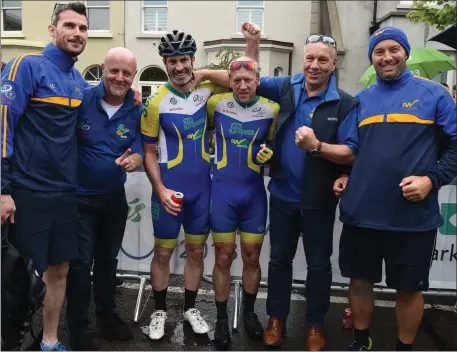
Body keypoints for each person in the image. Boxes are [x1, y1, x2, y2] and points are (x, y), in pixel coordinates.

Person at [193, 22, 358, 351]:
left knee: (319, 265)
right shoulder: (287, 87)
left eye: (322, 60)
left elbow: (351, 151)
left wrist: (317, 146)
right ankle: (276, 319)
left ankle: (314, 324)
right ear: (303, 61)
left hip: (318, 199)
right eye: (310, 58)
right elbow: (245, 79)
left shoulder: (343, 102)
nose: (314, 65)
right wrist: (204, 72)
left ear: (333, 64)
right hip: (282, 194)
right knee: (278, 262)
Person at [333, 26, 457, 351]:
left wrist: (431, 179)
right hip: (362, 214)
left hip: (412, 218)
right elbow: (352, 149)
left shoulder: (435, 95)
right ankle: (361, 342)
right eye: (379, 51)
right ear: (372, 57)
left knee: (408, 290)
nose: (387, 57)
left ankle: (404, 348)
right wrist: (346, 173)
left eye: (393, 50)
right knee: (359, 282)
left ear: (405, 52)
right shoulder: (359, 101)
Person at [0, 2, 89, 351]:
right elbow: (3, 127)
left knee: (60, 272)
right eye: (70, 25)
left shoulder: (78, 80)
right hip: (26, 192)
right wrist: (3, 190)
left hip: (64, 194)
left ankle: (49, 342)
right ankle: (9, 344)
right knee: (16, 277)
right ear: (52, 30)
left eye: (82, 28)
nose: (77, 33)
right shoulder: (26, 65)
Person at [141, 30, 226, 340]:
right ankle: (160, 311)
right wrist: (160, 189)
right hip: (169, 191)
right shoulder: (155, 101)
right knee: (162, 254)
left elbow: (241, 77)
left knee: (195, 251)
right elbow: (149, 152)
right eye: (172, 61)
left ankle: (190, 308)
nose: (179, 67)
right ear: (165, 63)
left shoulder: (205, 89)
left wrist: (201, 72)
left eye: (184, 60)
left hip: (201, 190)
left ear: (192, 59)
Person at [65, 47, 144, 350]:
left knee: (108, 261)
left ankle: (107, 316)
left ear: (133, 77)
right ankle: (78, 327)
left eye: (127, 73)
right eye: (114, 71)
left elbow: (138, 147)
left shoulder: (136, 108)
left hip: (114, 199)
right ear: (102, 69)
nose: (120, 78)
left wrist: (134, 161)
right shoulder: (81, 99)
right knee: (81, 264)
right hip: (80, 199)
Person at [206, 57, 279, 348]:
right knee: (223, 257)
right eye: (236, 80)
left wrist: (270, 152)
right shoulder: (216, 104)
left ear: (258, 81)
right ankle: (221, 319)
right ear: (229, 81)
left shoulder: (271, 109)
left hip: (253, 195)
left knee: (251, 255)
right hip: (222, 193)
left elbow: (274, 143)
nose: (243, 85)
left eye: (249, 80)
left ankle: (249, 313)